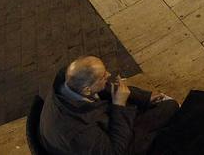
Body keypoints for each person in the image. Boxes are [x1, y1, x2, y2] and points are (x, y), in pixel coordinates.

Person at [38, 55, 177, 155]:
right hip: (106, 145)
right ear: (87, 90)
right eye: (103, 76)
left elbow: (104, 87)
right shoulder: (76, 132)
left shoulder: (70, 80)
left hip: (100, 125)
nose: (109, 75)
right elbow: (114, 151)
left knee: (163, 108)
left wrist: (145, 98)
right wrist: (120, 105)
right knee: (170, 108)